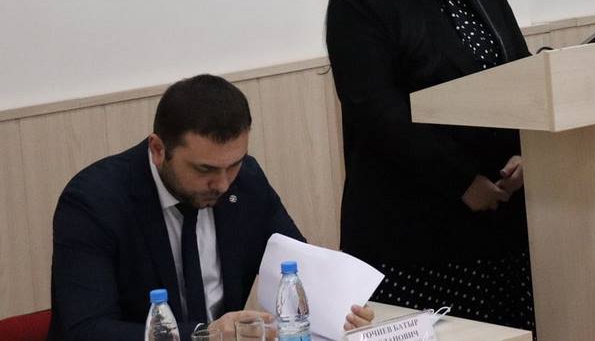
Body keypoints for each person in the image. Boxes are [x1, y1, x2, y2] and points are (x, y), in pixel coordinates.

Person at [325, 0, 534, 332]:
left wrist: (531, 149)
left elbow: (517, 67)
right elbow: (378, 114)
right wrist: (462, 181)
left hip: (501, 213)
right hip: (415, 223)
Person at [49, 74, 374, 340]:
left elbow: (299, 269)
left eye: (233, 164)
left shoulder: (246, 182)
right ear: (159, 149)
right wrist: (203, 336)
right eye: (204, 169)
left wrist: (343, 311)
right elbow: (85, 330)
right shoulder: (94, 202)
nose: (222, 184)